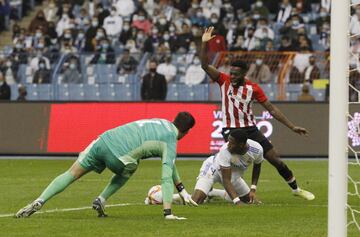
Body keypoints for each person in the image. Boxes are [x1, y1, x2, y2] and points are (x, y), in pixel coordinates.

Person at [200, 27, 315, 201]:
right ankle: (210, 187)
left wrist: (292, 126)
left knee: (275, 159)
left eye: (236, 74)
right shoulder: (223, 80)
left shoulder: (253, 89)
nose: (232, 76)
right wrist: (204, 43)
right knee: (231, 163)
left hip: (251, 129)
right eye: (231, 73)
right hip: (231, 130)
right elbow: (204, 65)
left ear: (244, 74)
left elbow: (272, 109)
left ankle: (296, 189)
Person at [16, 112, 197, 220]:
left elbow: (170, 163)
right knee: (131, 167)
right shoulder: (171, 139)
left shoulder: (161, 122)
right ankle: (102, 199)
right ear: (188, 131)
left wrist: (181, 189)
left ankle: (39, 200)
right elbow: (166, 174)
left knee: (71, 173)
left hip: (103, 140)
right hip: (120, 156)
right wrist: (168, 212)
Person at [191, 130, 263, 205]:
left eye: (231, 143)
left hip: (233, 176)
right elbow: (226, 180)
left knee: (250, 201)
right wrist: (237, 202)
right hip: (213, 169)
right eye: (228, 142)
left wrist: (253, 189)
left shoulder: (257, 150)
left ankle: (213, 193)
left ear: (241, 144)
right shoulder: (224, 151)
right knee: (196, 201)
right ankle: (182, 196)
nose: (228, 145)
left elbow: (257, 166)